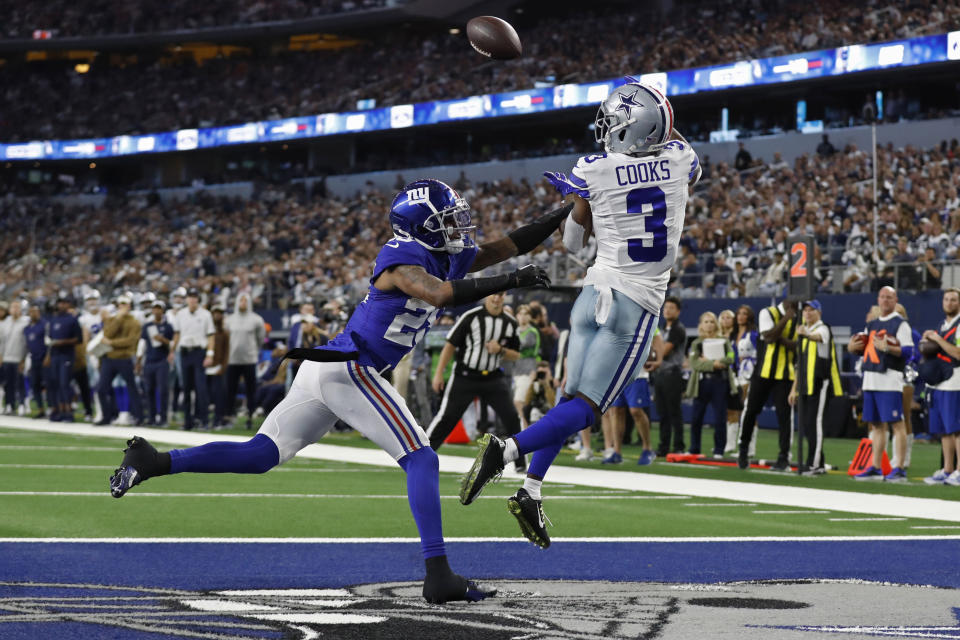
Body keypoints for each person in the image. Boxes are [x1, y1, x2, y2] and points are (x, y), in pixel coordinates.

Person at [110, 177, 565, 604]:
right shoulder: (401, 256)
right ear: (419, 226)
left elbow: (509, 244)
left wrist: (565, 211)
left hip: (330, 367)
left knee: (259, 455)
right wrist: (512, 279)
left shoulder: (446, 254)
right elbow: (440, 294)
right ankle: (438, 574)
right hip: (353, 368)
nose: (457, 227)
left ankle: (154, 461)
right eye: (446, 219)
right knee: (422, 457)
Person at [458, 79, 700, 549]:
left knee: (570, 402)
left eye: (614, 122)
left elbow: (572, 246)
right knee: (587, 410)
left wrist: (583, 209)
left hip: (592, 296)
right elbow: (674, 140)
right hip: (635, 304)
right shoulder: (679, 162)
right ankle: (505, 450)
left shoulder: (592, 168)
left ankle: (530, 489)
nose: (605, 128)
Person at [426, 292, 525, 472]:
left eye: (501, 295)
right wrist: (439, 373)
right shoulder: (471, 317)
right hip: (465, 375)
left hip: (493, 377)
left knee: (512, 417)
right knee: (447, 417)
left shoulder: (510, 323)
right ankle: (422, 456)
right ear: (487, 296)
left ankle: (520, 464)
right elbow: (450, 345)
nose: (497, 299)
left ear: (505, 298)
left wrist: (500, 349)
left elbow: (516, 354)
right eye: (494, 294)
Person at [848, 286, 914, 482]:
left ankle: (900, 467)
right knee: (876, 425)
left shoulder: (901, 324)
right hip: (871, 378)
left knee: (897, 423)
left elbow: (908, 352)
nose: (885, 301)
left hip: (889, 379)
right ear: (878, 299)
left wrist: (889, 348)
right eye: (883, 297)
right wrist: (853, 348)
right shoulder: (872, 324)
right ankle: (876, 466)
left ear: (895, 300)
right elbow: (864, 348)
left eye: (889, 298)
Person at [737, 298, 798, 471]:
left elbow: (799, 346)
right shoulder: (768, 312)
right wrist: (786, 319)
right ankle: (743, 451)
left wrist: (779, 338)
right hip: (763, 371)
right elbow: (768, 337)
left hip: (785, 374)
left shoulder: (799, 317)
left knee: (784, 417)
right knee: (751, 411)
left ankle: (784, 457)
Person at [788, 300, 842, 475]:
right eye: (805, 310)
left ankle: (814, 463)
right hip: (804, 384)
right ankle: (817, 461)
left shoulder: (822, 328)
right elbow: (799, 364)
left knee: (815, 423)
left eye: (811, 310)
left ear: (819, 312)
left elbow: (819, 337)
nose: (808, 313)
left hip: (819, 383)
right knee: (807, 425)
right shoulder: (804, 331)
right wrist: (794, 388)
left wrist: (805, 334)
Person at [602, 329, 664, 465]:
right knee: (616, 410)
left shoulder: (643, 311)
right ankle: (616, 452)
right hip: (615, 370)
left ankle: (647, 448)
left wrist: (659, 360)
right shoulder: (613, 314)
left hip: (637, 371)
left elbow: (656, 335)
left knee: (636, 410)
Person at [921, 288, 960, 485]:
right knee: (944, 429)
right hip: (940, 382)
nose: (949, 303)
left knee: (957, 429)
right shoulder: (943, 325)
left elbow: (958, 353)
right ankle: (948, 469)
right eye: (946, 299)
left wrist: (937, 340)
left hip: (955, 380)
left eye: (953, 300)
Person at [685, 312, 735, 457]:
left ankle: (719, 450)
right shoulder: (696, 343)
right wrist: (714, 364)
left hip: (720, 382)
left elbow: (731, 358)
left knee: (719, 418)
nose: (709, 324)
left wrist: (708, 361)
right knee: (696, 418)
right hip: (701, 383)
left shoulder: (724, 341)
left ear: (716, 324)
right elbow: (694, 364)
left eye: (711, 322)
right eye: (706, 322)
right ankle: (694, 448)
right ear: (701, 324)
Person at [171, 288, 215, 430]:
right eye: (190, 296)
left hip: (199, 352)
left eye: (195, 297)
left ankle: (204, 420)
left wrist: (210, 354)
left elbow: (211, 335)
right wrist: (172, 351)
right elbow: (177, 334)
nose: (192, 299)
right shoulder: (181, 314)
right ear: (187, 299)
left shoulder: (205, 314)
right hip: (184, 353)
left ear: (198, 299)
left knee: (201, 388)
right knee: (187, 388)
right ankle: (188, 422)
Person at [96, 295, 144, 426]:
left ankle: (139, 417)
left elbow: (131, 341)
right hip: (109, 358)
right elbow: (106, 334)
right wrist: (118, 319)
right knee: (101, 388)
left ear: (129, 305)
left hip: (125, 358)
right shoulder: (112, 320)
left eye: (124, 304)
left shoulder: (134, 322)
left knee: (132, 388)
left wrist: (112, 342)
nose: (121, 306)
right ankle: (107, 416)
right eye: (119, 304)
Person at [225, 292, 266, 428]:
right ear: (237, 302)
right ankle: (229, 417)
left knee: (250, 390)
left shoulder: (256, 319)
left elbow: (260, 339)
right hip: (232, 359)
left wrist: (253, 351)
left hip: (249, 359)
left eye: (245, 301)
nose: (243, 303)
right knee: (230, 390)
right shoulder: (229, 320)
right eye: (240, 300)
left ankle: (249, 417)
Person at [655, 297, 687, 456]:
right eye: (665, 307)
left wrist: (652, 353)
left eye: (671, 308)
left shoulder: (678, 329)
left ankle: (679, 445)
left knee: (674, 412)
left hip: (673, 374)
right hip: (660, 374)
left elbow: (664, 351)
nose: (667, 310)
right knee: (662, 413)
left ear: (678, 311)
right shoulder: (662, 328)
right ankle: (664, 446)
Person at [725, 305, 758, 455]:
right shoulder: (733, 335)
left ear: (749, 317)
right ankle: (731, 444)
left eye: (744, 314)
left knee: (748, 410)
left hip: (749, 375)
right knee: (732, 409)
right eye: (738, 313)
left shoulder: (753, 335)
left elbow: (761, 353)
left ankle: (749, 448)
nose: (740, 316)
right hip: (735, 375)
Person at [138, 301, 174, 426]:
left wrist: (162, 340)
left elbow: (172, 344)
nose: (157, 311)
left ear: (163, 311)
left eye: (159, 309)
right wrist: (138, 360)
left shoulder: (168, 326)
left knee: (163, 390)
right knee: (149, 390)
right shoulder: (147, 326)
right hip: (149, 361)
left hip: (162, 361)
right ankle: (152, 417)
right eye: (155, 308)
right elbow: (142, 344)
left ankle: (163, 418)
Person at [47, 294, 82, 422]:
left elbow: (79, 339)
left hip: (66, 355)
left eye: (64, 303)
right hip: (55, 355)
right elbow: (50, 339)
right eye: (60, 303)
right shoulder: (53, 319)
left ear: (69, 305)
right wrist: (49, 355)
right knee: (56, 383)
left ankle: (68, 413)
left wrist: (63, 342)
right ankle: (60, 411)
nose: (61, 305)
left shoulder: (72, 319)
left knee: (64, 383)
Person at [512, 304, 541, 431]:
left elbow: (519, 346)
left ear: (530, 317)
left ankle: (525, 431)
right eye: (520, 314)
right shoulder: (515, 330)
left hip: (527, 370)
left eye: (526, 314)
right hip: (514, 371)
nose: (523, 317)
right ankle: (521, 430)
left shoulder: (532, 332)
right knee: (517, 403)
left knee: (520, 402)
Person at [0, 300, 29, 415]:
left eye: (17, 307)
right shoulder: (5, 323)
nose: (15, 309)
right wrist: (1, 355)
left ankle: (22, 404)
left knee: (20, 383)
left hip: (19, 358)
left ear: (21, 309)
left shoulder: (25, 322)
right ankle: (9, 405)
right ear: (10, 310)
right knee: (8, 384)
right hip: (7, 357)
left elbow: (26, 344)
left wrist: (24, 358)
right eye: (13, 307)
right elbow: (1, 342)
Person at [24, 303, 52, 418]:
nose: (33, 314)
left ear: (39, 312)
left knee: (48, 384)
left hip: (44, 359)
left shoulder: (45, 325)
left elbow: (50, 342)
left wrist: (48, 356)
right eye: (31, 312)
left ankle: (51, 408)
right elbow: (27, 345)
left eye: (35, 311)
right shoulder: (27, 328)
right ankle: (41, 409)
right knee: (35, 385)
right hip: (33, 359)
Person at [206, 304, 230, 428]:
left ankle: (217, 420)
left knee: (218, 396)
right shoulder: (206, 330)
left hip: (218, 368)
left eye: (219, 313)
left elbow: (226, 352)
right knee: (205, 395)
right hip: (205, 368)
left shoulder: (224, 333)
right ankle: (203, 419)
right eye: (215, 313)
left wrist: (223, 367)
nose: (217, 315)